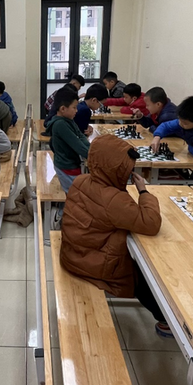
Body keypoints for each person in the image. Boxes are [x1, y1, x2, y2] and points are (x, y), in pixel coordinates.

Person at [59, 134, 171, 337]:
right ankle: (165, 319)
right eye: (126, 169)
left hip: (73, 253)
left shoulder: (81, 180)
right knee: (143, 275)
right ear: (115, 169)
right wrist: (144, 192)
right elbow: (151, 223)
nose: (128, 173)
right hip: (92, 264)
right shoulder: (114, 199)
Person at [45, 87, 90, 194]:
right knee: (76, 196)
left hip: (70, 162)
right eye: (74, 107)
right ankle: (62, 211)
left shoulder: (68, 119)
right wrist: (94, 155)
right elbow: (78, 145)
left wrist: (89, 148)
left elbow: (81, 135)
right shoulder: (60, 125)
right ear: (63, 109)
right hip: (67, 166)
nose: (76, 110)